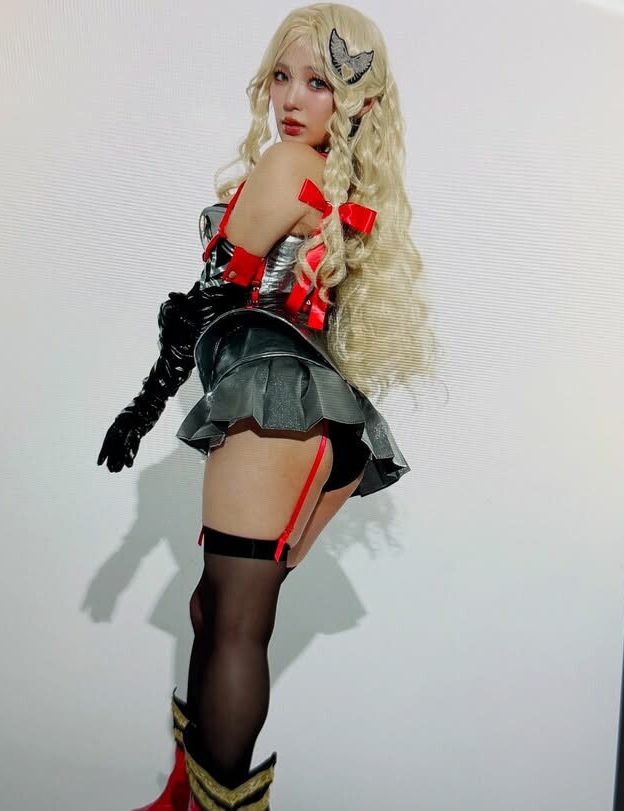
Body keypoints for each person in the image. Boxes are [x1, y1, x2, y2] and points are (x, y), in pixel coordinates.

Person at [97, 4, 436, 808]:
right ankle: (186, 795)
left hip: (274, 410)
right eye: (282, 76)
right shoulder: (339, 183)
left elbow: (205, 306)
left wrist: (144, 406)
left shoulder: (288, 165)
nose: (290, 97)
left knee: (235, 628)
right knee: (215, 612)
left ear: (354, 100)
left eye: (317, 82)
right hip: (326, 430)